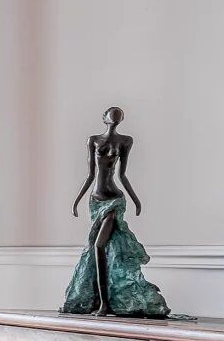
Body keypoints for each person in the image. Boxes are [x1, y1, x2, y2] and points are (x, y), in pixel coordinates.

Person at [62, 106, 169, 318]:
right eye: (111, 114)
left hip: (115, 201)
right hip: (96, 201)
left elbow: (123, 175)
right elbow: (90, 175)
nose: (114, 117)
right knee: (98, 249)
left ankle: (104, 304)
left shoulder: (125, 141)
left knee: (99, 246)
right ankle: (102, 300)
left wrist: (136, 200)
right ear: (104, 118)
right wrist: (76, 201)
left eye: (118, 115)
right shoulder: (93, 140)